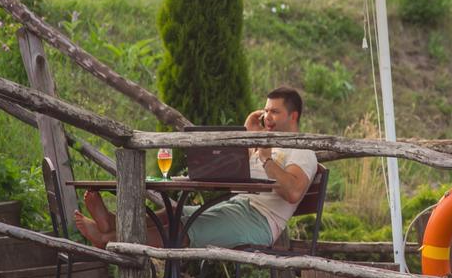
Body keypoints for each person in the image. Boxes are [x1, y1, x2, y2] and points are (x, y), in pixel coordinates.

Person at [74, 86, 317, 250]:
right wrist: (247, 135)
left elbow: (293, 192)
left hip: (261, 222)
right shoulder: (265, 143)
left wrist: (266, 159)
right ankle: (112, 222)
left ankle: (108, 240)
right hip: (237, 206)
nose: (267, 117)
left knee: (185, 227)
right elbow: (235, 171)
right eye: (265, 111)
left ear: (293, 116)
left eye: (275, 112)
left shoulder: (302, 150)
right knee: (174, 214)